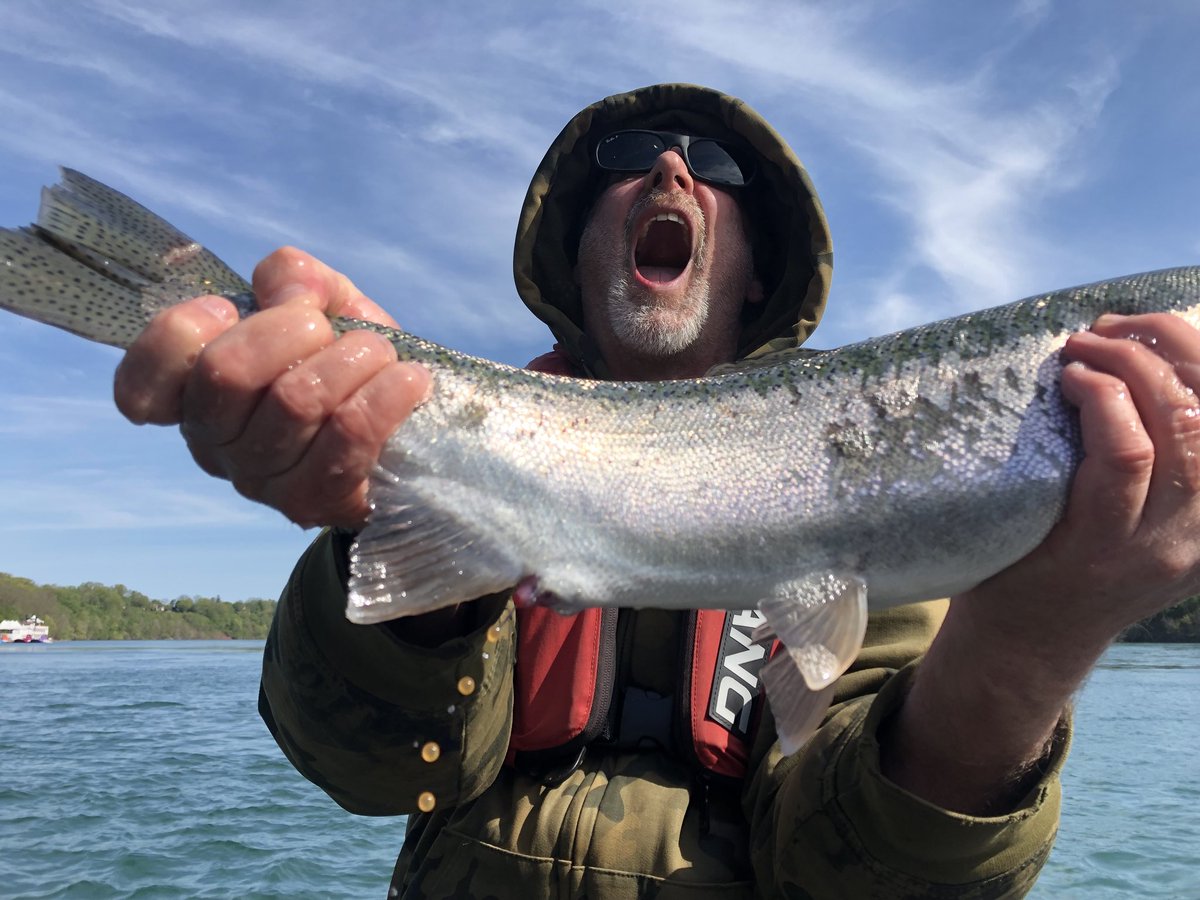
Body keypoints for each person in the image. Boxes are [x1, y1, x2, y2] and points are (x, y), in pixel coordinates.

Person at [113, 84, 1200, 897]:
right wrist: (401, 534)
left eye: (712, 169)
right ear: (576, 246)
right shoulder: (437, 426)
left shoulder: (900, 529)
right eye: (631, 161)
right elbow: (363, 771)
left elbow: (872, 883)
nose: (673, 175)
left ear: (759, 274)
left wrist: (1027, 645)